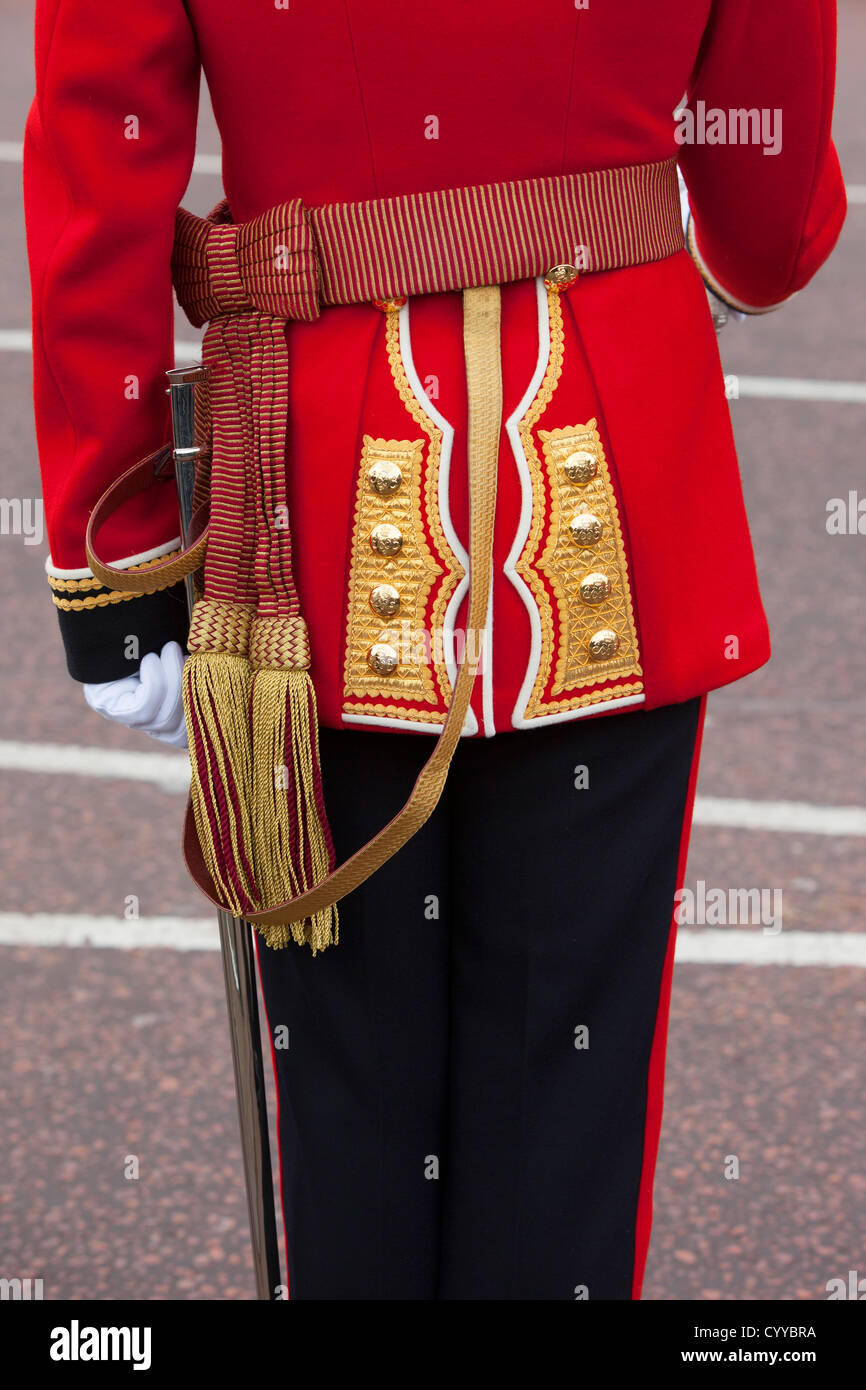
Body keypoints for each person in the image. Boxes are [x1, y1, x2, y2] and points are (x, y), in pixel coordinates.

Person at [24, 1, 845, 1300]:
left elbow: (100, 147)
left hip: (322, 503)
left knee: (347, 1089)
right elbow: (766, 178)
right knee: (568, 1091)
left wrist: (115, 533)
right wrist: (740, 245)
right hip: (602, 476)